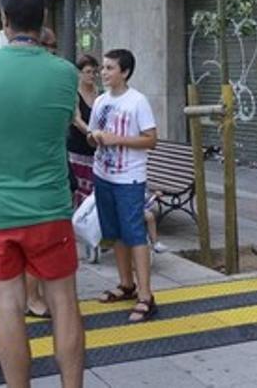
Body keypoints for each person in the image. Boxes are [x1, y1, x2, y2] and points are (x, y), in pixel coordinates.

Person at [0, 0, 83, 387]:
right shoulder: (65, 73)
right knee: (63, 303)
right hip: (49, 205)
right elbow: (64, 124)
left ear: (3, 21)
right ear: (44, 19)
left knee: (8, 306)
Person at [89, 48, 159, 323]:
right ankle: (126, 284)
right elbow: (94, 135)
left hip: (129, 177)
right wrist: (95, 138)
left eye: (109, 68)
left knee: (134, 234)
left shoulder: (137, 101)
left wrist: (117, 140)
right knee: (115, 232)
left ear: (125, 72)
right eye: (103, 68)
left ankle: (146, 295)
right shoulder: (100, 101)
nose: (103, 72)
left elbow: (151, 139)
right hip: (103, 173)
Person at [67, 55, 99, 208]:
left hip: (95, 149)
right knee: (79, 188)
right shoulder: (74, 93)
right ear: (79, 73)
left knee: (92, 189)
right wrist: (92, 133)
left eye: (94, 72)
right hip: (78, 148)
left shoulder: (98, 93)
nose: (91, 75)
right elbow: (76, 119)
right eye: (87, 72)